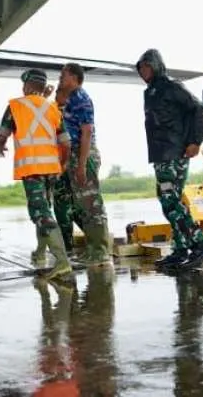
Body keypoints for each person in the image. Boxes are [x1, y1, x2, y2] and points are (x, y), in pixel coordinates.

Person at [137, 48, 203, 271]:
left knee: (169, 200)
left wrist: (195, 141)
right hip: (162, 153)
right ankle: (181, 247)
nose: (142, 72)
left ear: (155, 65)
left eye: (145, 67)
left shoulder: (171, 87)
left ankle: (200, 244)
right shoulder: (150, 92)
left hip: (173, 153)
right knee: (170, 202)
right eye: (140, 68)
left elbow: (199, 110)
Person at [0, 68, 73, 278]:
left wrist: (0, 146)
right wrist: (63, 163)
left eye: (24, 85)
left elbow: (3, 134)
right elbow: (66, 142)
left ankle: (62, 261)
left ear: (28, 86)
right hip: (51, 169)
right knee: (44, 208)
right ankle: (40, 253)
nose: (22, 88)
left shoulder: (15, 106)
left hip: (31, 169)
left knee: (41, 214)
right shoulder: (52, 109)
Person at [53, 62, 112, 265]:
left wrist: (81, 164)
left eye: (64, 75)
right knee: (83, 205)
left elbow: (86, 132)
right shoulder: (69, 99)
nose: (60, 78)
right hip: (76, 155)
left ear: (74, 77)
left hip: (83, 154)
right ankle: (93, 249)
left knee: (92, 205)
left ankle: (100, 251)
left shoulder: (80, 98)